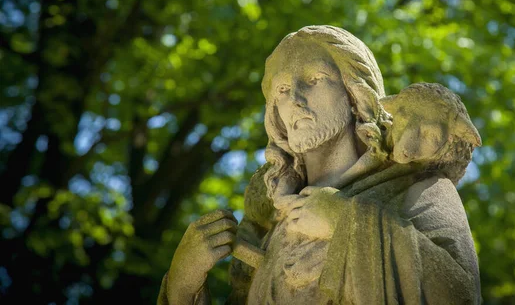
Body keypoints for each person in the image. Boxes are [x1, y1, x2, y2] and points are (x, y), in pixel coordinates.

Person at [158, 25, 482, 304]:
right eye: (282, 90)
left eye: (315, 78)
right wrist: (182, 286)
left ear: (355, 95)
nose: (295, 98)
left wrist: (344, 222)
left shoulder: (418, 190)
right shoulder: (270, 226)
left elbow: (460, 296)